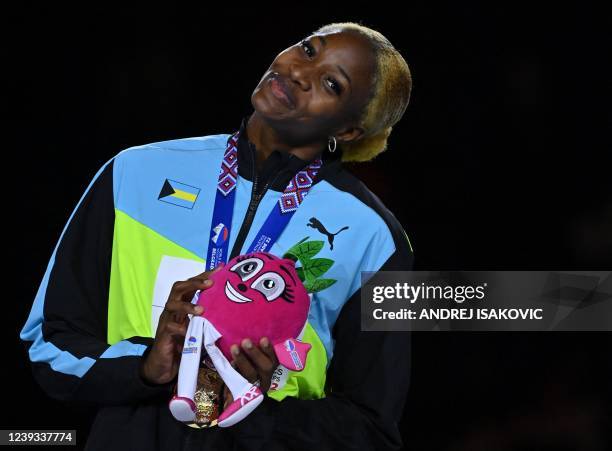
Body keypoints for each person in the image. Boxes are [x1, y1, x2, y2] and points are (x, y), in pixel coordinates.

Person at [20, 21, 414, 451]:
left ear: (349, 131)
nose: (300, 72)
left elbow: (370, 428)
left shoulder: (376, 238)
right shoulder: (133, 173)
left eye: (331, 84)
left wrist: (256, 412)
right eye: (307, 48)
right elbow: (51, 344)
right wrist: (145, 368)